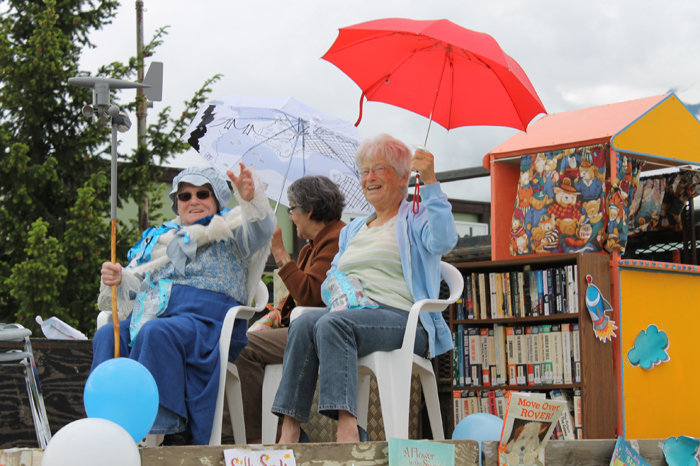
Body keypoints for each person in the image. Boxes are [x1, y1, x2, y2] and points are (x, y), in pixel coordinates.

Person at [271, 134, 458, 443]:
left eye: (379, 169)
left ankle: (347, 428)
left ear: (402, 177)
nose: (369, 177)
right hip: (352, 314)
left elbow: (444, 241)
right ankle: (290, 429)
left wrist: (431, 182)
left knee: (334, 322)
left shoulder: (416, 217)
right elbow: (333, 274)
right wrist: (339, 289)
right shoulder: (354, 229)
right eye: (364, 171)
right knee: (303, 322)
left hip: (402, 319)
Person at [91, 164, 275, 445]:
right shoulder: (158, 240)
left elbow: (262, 230)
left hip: (207, 324)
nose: (194, 201)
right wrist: (118, 278)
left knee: (157, 332)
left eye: (203, 193)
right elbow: (137, 289)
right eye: (185, 196)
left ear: (217, 199)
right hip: (157, 314)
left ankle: (172, 428)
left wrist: (250, 200)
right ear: (177, 204)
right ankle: (108, 425)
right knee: (108, 334)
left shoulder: (232, 228)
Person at [235, 175, 346, 444]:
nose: (291, 217)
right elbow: (299, 298)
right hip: (302, 329)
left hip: (320, 333)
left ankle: (259, 439)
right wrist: (275, 315)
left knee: (243, 348)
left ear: (308, 210)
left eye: (292, 209)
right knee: (238, 342)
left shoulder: (336, 240)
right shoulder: (314, 246)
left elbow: (311, 295)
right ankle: (263, 434)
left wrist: (280, 253)